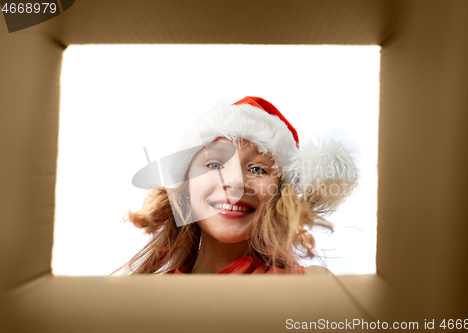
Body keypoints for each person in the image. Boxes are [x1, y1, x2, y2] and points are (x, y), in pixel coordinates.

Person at [121, 97, 359, 275]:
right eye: (214, 165)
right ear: (185, 189)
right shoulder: (144, 297)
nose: (235, 183)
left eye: (258, 169)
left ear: (281, 194)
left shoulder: (309, 288)